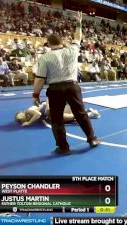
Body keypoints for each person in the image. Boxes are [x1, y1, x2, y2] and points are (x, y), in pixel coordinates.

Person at [32, 11, 100, 155]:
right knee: (81, 114)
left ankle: (63, 147)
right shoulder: (72, 50)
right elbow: (78, 37)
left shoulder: (45, 57)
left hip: (55, 90)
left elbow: (39, 79)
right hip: (72, 87)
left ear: (49, 44)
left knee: (56, 119)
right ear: (62, 42)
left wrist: (35, 94)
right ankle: (92, 139)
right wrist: (79, 23)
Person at [15, 101, 100, 127]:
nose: (21, 118)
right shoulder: (29, 115)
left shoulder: (28, 111)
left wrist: (29, 123)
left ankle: (90, 114)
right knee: (70, 117)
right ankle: (87, 112)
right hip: (53, 110)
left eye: (20, 116)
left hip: (53, 110)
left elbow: (38, 114)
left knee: (71, 117)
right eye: (20, 119)